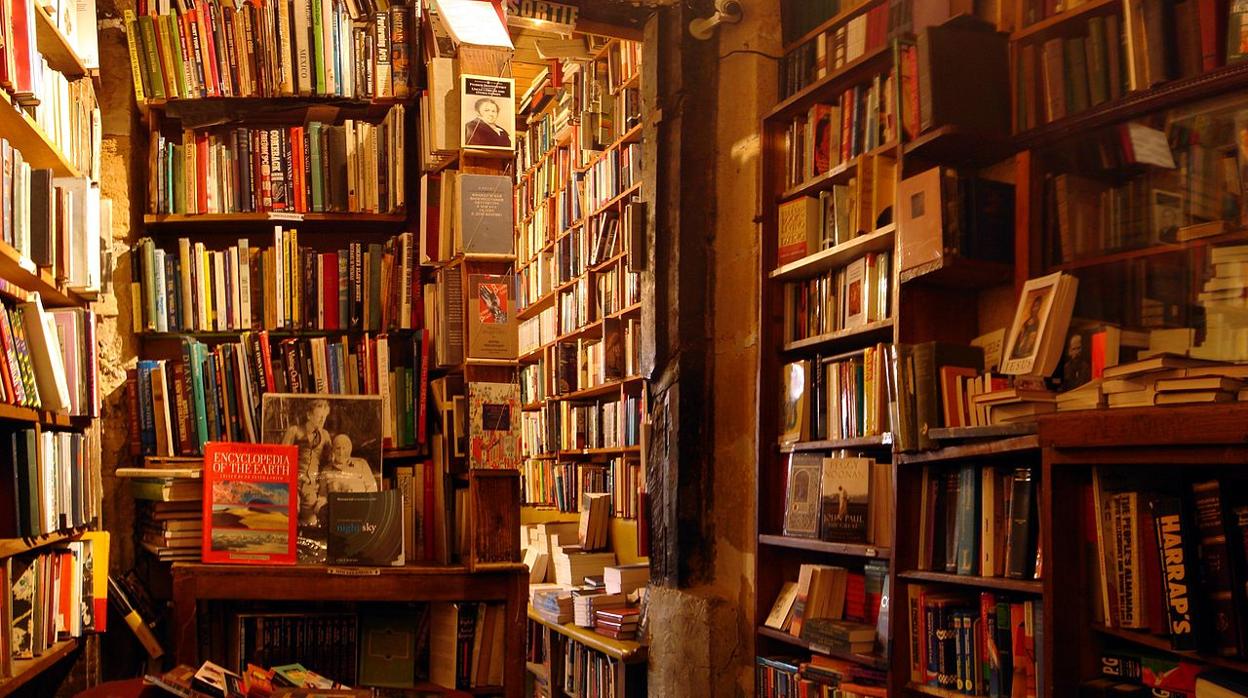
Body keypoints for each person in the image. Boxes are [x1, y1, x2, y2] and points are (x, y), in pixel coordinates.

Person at [281, 399, 332, 526]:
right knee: (288, 518)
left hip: (311, 485)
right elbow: (281, 459)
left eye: (324, 417)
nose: (322, 420)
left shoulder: (325, 435)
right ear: (309, 415)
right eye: (319, 416)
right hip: (293, 481)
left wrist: (322, 490)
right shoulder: (295, 431)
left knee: (311, 523)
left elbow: (329, 463)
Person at [310, 434, 379, 521]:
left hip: (360, 511)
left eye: (344, 448)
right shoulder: (326, 470)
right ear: (333, 450)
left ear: (350, 449)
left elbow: (372, 489)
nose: (341, 452)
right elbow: (322, 497)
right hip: (337, 515)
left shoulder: (361, 464)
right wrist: (320, 508)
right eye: (338, 448)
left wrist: (365, 507)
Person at [1011, 293, 1046, 360]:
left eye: (1037, 306)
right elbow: (1020, 335)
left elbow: (1031, 339)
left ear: (1039, 308)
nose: (1034, 309)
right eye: (1034, 306)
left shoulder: (1037, 322)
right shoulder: (1027, 321)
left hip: (1026, 352)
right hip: (1019, 350)